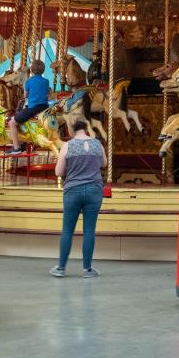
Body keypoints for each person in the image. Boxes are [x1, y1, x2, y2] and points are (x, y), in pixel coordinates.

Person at [51, 119, 105, 278]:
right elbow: (104, 163)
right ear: (86, 129)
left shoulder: (67, 146)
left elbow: (59, 173)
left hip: (73, 190)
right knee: (89, 230)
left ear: (71, 130)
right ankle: (87, 269)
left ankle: (61, 268)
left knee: (67, 230)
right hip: (94, 190)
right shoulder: (97, 144)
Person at [8, 61, 49, 154]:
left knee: (12, 123)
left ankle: (16, 148)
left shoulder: (29, 81)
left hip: (34, 108)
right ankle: (23, 143)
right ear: (43, 70)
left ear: (31, 70)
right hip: (45, 107)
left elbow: (25, 95)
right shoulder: (46, 81)